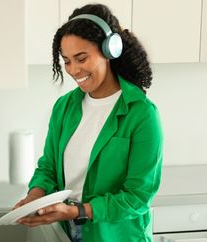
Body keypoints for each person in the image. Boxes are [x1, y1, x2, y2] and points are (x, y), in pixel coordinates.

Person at [15, 3, 163, 242]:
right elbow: (49, 167)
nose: (73, 70)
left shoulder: (142, 114)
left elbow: (138, 196)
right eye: (67, 61)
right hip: (67, 233)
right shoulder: (64, 107)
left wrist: (78, 211)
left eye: (81, 58)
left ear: (109, 50)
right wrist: (35, 196)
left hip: (117, 236)